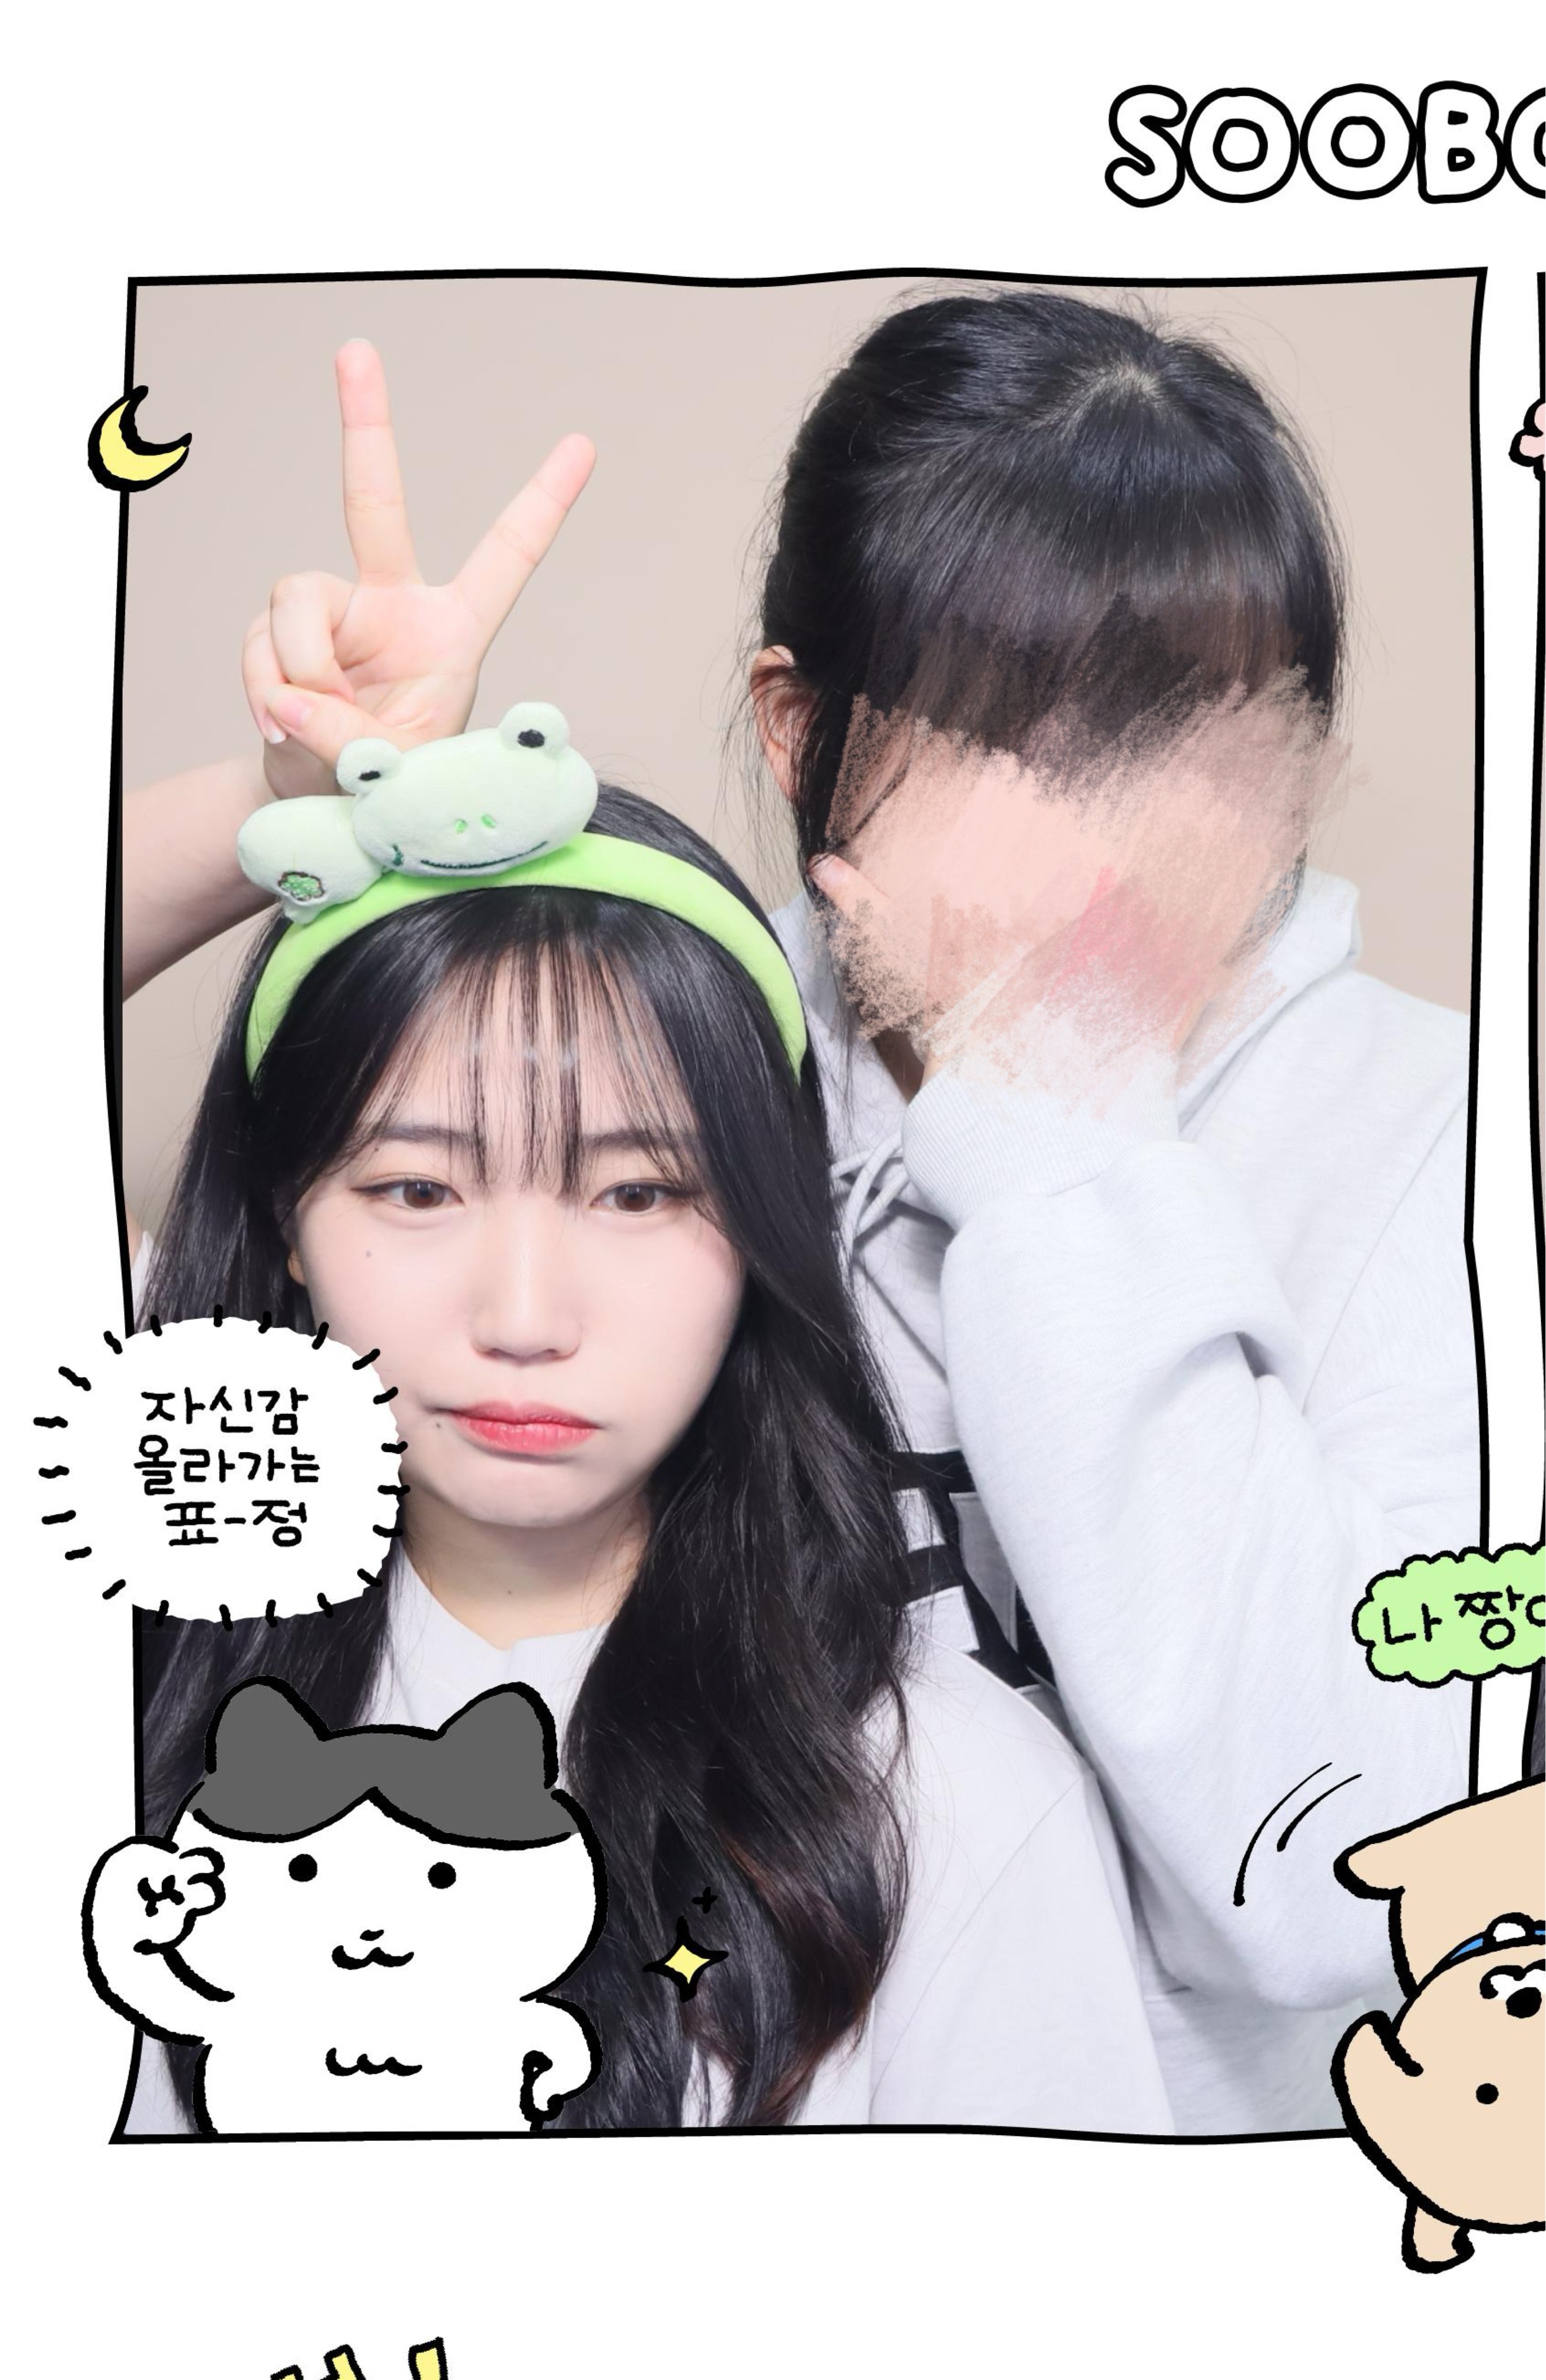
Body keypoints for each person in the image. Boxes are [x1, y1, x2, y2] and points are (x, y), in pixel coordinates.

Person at [120, 351, 1170, 2133]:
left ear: (758, 1229)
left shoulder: (941, 1804)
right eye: (417, 1191)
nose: (526, 1315)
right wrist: (292, 791)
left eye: (637, 1194)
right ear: (282, 1226)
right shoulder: (103, 1688)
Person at [747, 288, 1478, 2133]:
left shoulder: (1452, 1140)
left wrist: (1050, 1122)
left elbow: (1352, 1872)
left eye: (1199, 739)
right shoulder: (660, 1095)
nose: (1128, 839)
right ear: (798, 727)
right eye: (1019, 735)